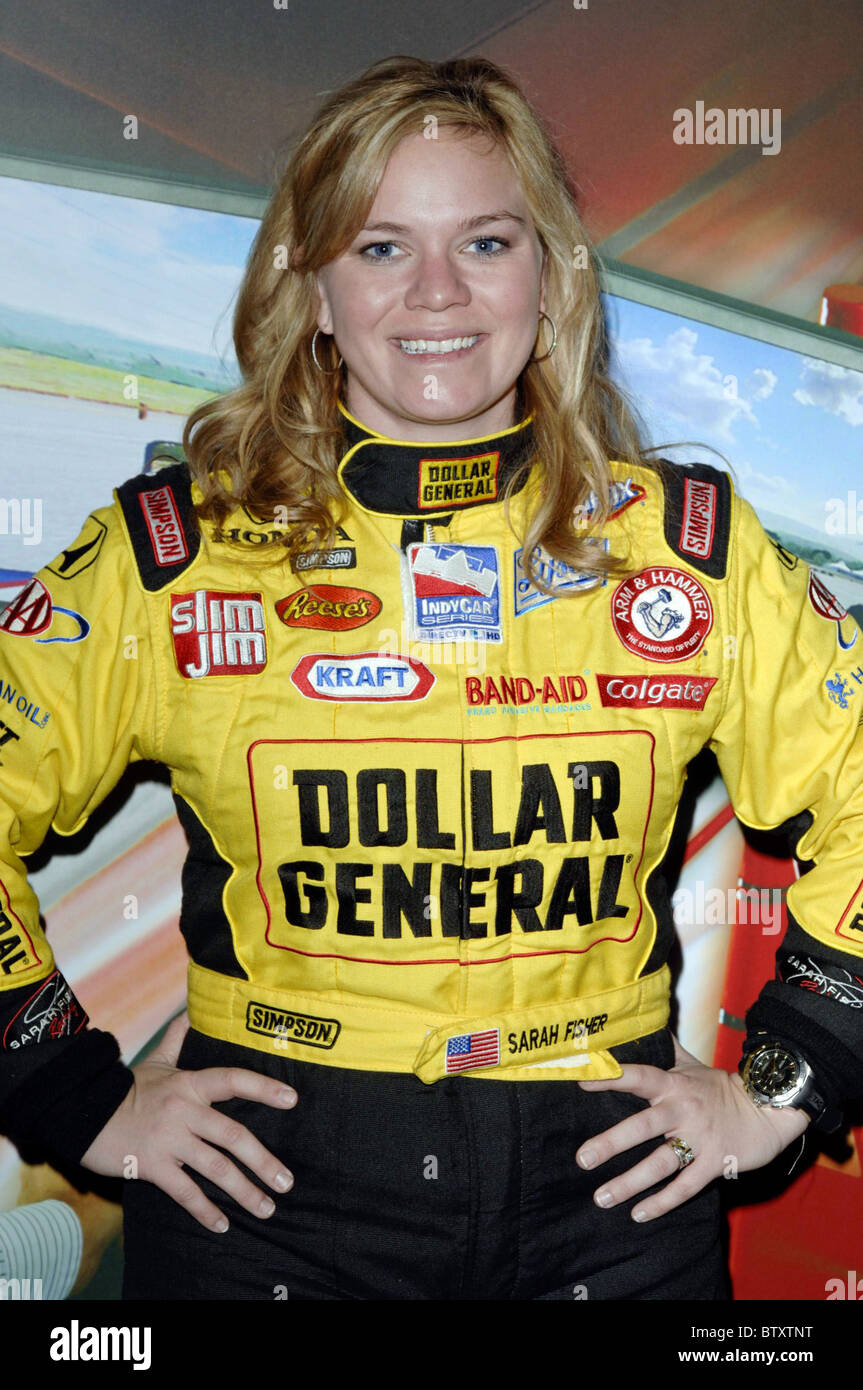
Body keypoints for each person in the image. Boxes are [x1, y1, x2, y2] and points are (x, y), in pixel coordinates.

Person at [1, 54, 862, 1302]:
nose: (438, 295)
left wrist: (784, 1083)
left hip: (611, 1200)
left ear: (550, 275)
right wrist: (67, 1089)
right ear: (310, 286)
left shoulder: (690, 557)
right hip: (271, 1206)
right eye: (381, 248)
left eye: (487, 242)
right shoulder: (171, 561)